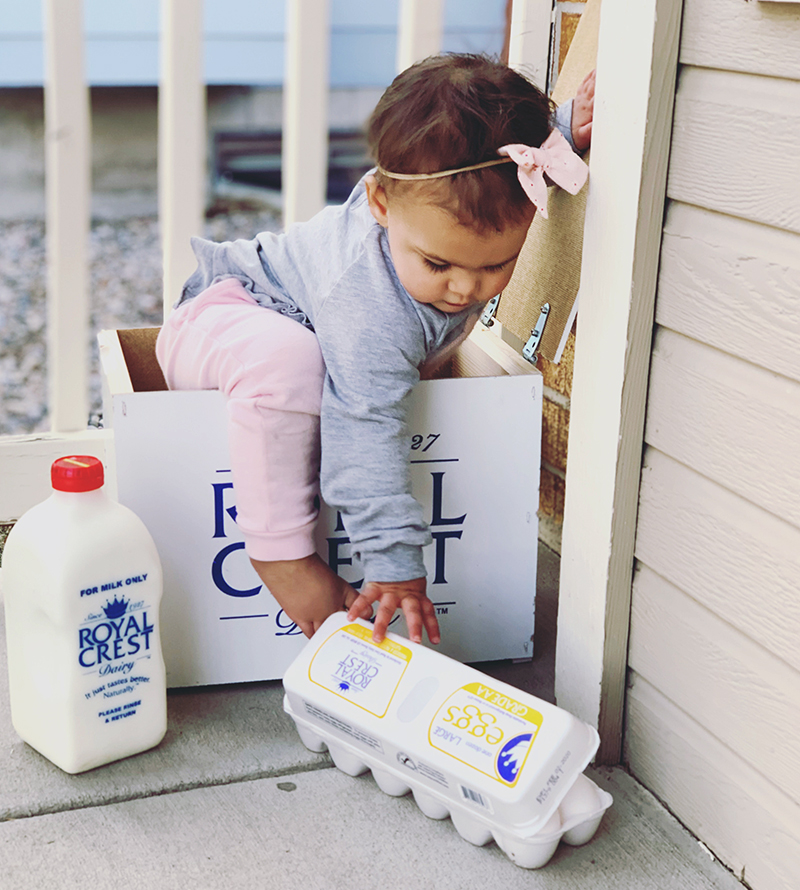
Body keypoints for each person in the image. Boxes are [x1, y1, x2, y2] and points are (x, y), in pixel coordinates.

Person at [156, 54, 592, 647]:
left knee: (306, 362)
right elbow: (362, 426)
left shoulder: (462, 196)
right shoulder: (372, 307)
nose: (466, 289)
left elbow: (499, 161)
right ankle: (279, 554)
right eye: (438, 263)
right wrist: (393, 563)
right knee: (291, 363)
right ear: (380, 205)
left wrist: (561, 131)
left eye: (497, 265)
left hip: (288, 337)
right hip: (220, 320)